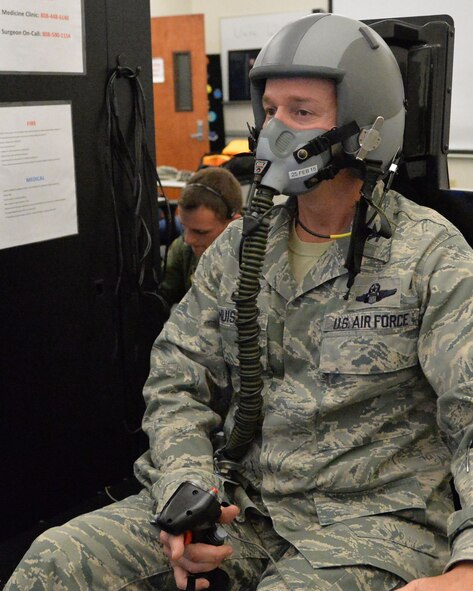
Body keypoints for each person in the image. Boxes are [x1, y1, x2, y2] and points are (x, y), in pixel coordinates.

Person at [5, 13, 473, 591]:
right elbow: (178, 376)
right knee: (55, 559)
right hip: (239, 507)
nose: (276, 130)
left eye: (302, 113)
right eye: (271, 110)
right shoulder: (238, 247)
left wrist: (469, 567)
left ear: (366, 128)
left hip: (372, 526)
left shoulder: (432, 256)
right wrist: (186, 489)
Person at [158, 166, 242, 317]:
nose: (189, 239)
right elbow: (161, 299)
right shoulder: (183, 250)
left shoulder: (259, 257)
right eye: (184, 228)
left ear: (234, 224)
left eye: (200, 232)